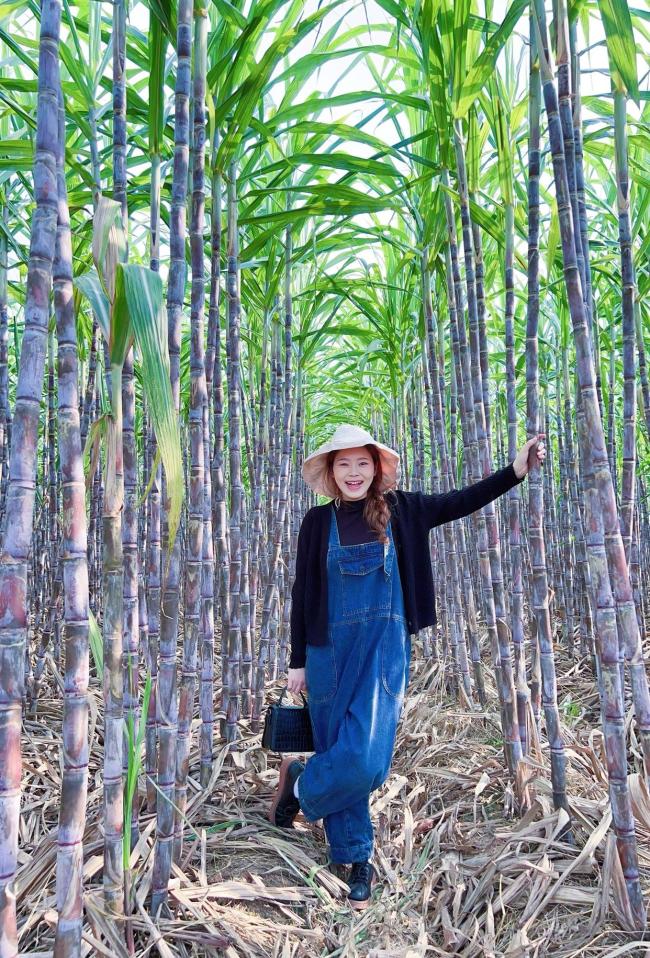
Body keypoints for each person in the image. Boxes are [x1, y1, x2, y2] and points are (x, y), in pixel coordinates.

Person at [268, 423, 546, 910]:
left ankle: (301, 784)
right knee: (339, 745)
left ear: (377, 468)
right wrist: (296, 662)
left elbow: (460, 501)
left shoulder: (401, 510)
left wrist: (515, 472)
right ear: (331, 473)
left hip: (383, 650)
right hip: (328, 650)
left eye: (362, 463)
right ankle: (356, 858)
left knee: (366, 758)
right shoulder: (316, 523)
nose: (354, 473)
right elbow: (300, 592)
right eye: (343, 464)